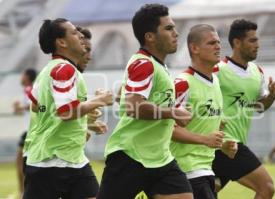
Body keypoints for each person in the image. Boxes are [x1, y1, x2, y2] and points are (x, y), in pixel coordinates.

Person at [97, 4, 193, 199]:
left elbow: (131, 98)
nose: (176, 33)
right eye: (168, 28)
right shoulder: (144, 63)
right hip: (130, 156)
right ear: (150, 36)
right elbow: (133, 106)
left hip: (159, 158)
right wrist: (173, 112)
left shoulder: (157, 65)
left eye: (174, 27)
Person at [23, 18, 113, 199]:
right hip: (50, 162)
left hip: (73, 160)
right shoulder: (64, 69)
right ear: (61, 42)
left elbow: (37, 106)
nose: (80, 35)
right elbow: (65, 111)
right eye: (73, 32)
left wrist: (85, 121)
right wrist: (99, 100)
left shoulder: (52, 69)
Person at [212, 19, 275, 199]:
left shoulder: (257, 72)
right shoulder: (217, 70)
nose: (257, 45)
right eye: (252, 40)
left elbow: (258, 107)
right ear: (237, 42)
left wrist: (272, 96)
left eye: (257, 40)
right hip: (224, 144)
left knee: (206, 194)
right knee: (266, 187)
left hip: (233, 146)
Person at [170, 24, 237, 199]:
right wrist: (204, 140)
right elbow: (167, 129)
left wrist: (223, 144)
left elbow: (205, 126)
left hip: (206, 169)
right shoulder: (182, 83)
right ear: (194, 48)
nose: (218, 46)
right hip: (186, 170)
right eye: (211, 43)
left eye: (218, 42)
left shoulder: (214, 81)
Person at [13, 68, 37, 197]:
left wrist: (21, 107)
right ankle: (23, 192)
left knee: (20, 163)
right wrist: (18, 108)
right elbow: (24, 111)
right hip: (28, 131)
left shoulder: (30, 89)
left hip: (30, 132)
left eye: (22, 74)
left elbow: (34, 105)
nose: (20, 77)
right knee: (23, 163)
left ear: (27, 77)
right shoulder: (26, 91)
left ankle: (23, 192)